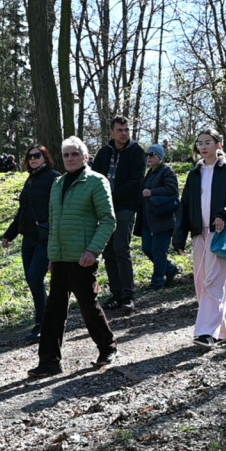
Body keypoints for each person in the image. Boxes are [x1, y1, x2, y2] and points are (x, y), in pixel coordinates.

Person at [27, 137, 118, 378]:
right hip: (59, 258)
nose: (70, 159)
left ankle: (107, 348)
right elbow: (54, 222)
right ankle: (49, 362)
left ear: (85, 157)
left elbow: (108, 220)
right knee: (53, 312)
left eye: (75, 154)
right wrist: (51, 255)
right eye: (66, 155)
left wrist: (92, 251)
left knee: (89, 306)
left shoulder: (96, 181)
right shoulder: (57, 184)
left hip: (82, 258)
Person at [173, 129, 226, 347]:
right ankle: (223, 330)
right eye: (200, 143)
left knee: (214, 281)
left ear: (218, 145)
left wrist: (224, 214)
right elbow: (184, 206)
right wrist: (179, 236)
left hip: (220, 234)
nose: (203, 147)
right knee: (202, 283)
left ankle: (205, 332)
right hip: (198, 233)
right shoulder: (194, 173)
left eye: (208, 142)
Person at [2, 145, 61, 341]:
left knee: (36, 277)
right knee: (31, 279)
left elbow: (60, 207)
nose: (33, 159)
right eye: (30, 156)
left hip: (45, 237)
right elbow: (23, 211)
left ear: (45, 157)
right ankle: (42, 320)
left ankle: (44, 323)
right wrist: (9, 235)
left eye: (37, 155)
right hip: (28, 237)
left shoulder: (54, 177)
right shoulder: (30, 179)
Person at [91, 116, 145, 312]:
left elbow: (136, 181)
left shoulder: (136, 152)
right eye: (120, 130)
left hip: (125, 207)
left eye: (126, 130)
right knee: (108, 251)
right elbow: (95, 177)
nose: (124, 133)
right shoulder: (104, 153)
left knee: (122, 248)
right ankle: (116, 293)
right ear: (112, 132)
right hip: (104, 209)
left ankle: (128, 294)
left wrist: (112, 195)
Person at [139, 144, 180, 290]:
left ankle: (157, 282)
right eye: (147, 154)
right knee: (147, 248)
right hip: (148, 218)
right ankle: (170, 269)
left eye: (152, 154)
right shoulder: (150, 172)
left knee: (158, 250)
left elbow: (172, 190)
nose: (148, 157)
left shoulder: (166, 171)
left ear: (160, 157)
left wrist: (152, 192)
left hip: (163, 217)